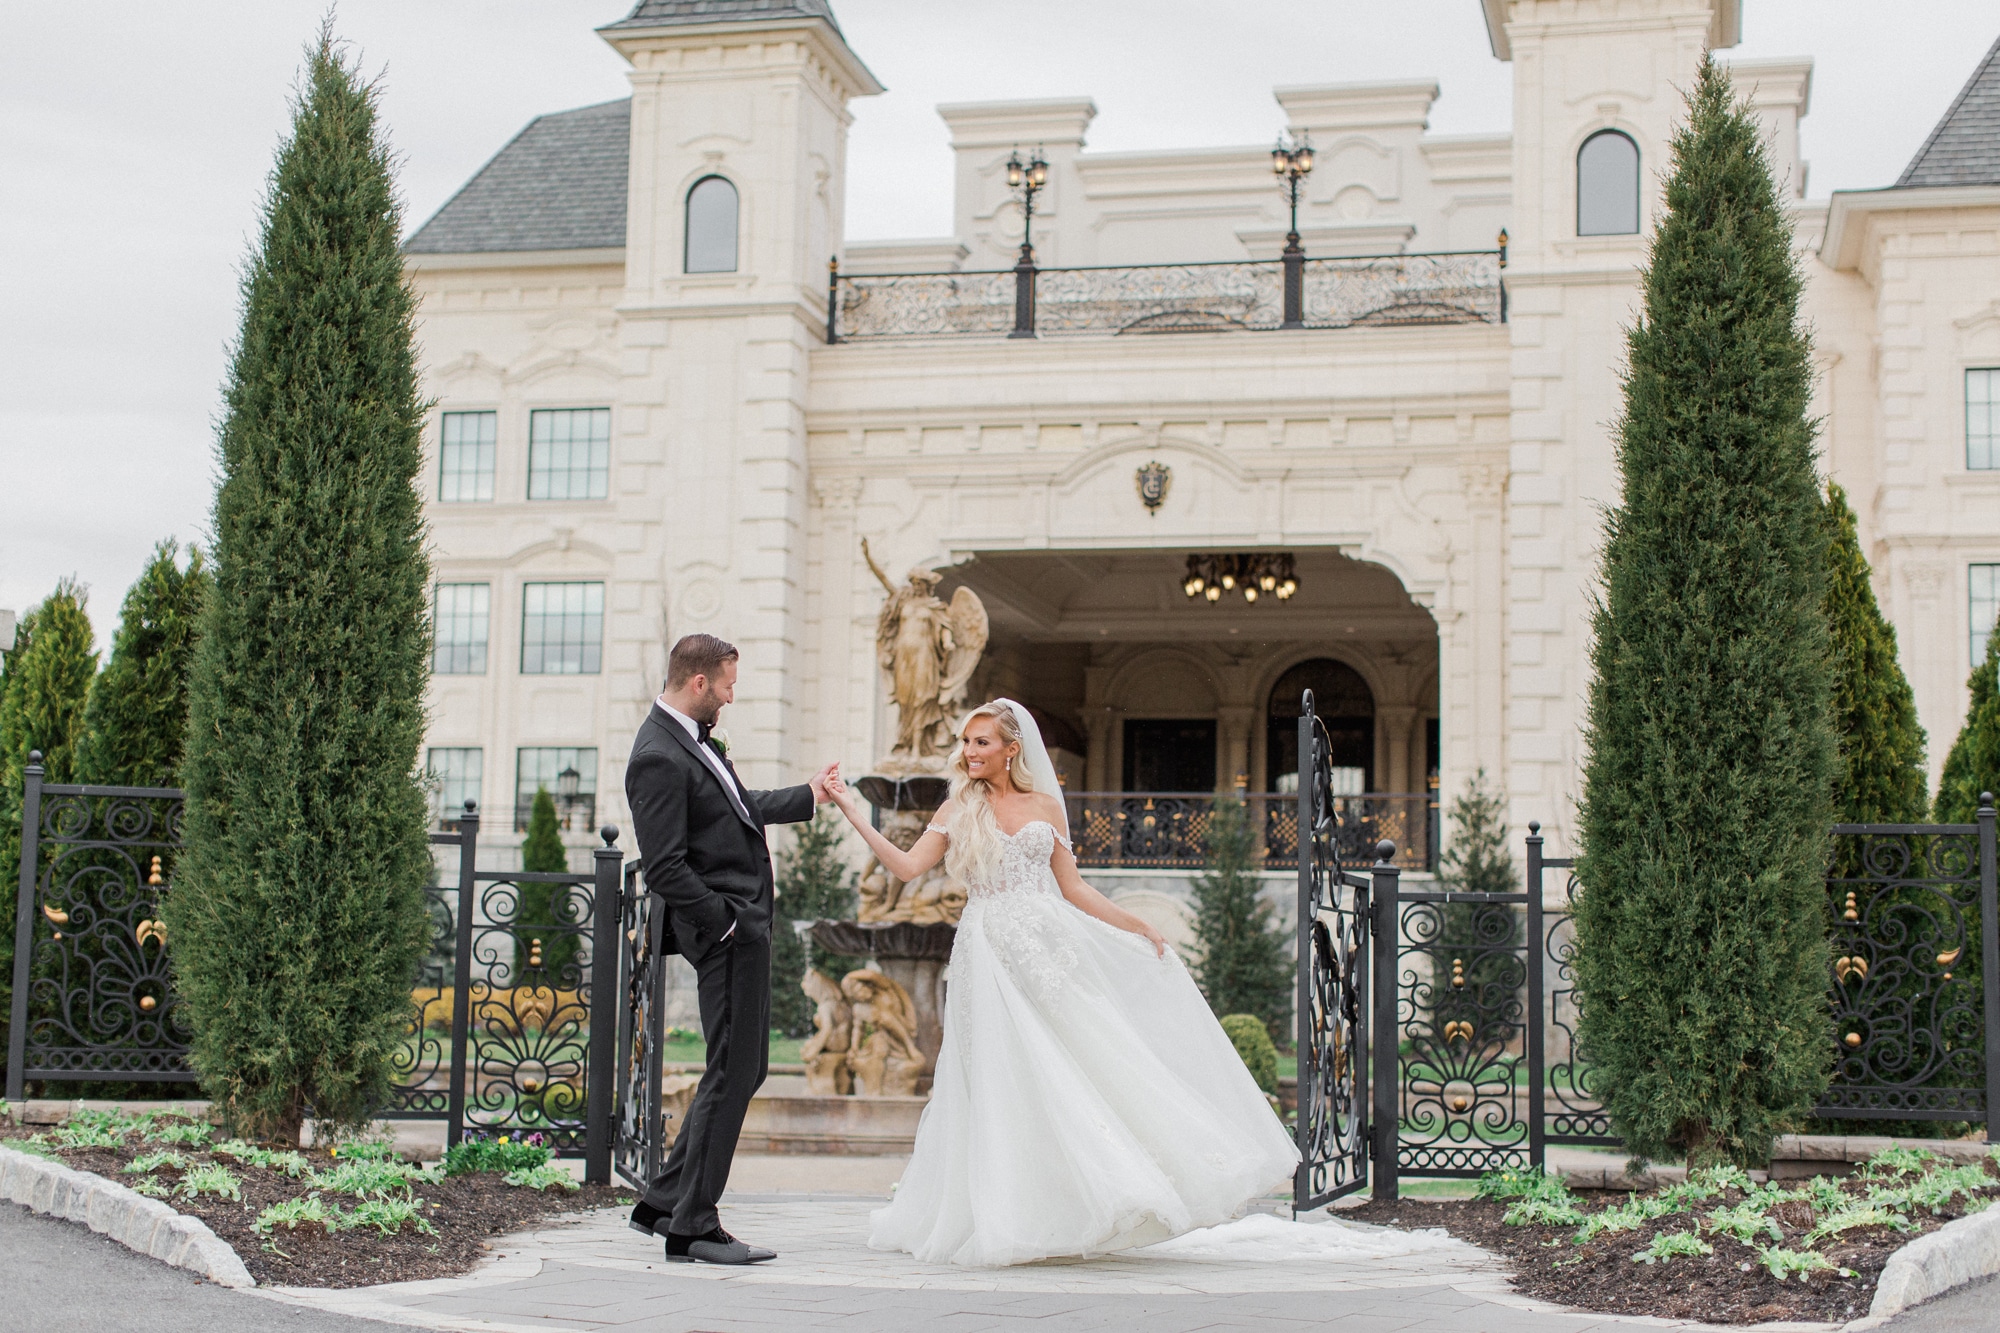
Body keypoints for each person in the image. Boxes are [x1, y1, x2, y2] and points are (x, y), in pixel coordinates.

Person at [823, 698, 1302, 1266]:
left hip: (1048, 947)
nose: (970, 752)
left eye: (981, 742)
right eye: (967, 743)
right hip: (985, 948)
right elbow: (905, 868)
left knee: (1084, 1059)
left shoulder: (1047, 805)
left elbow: (1073, 889)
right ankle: (1007, 1211)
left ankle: (1108, 1194)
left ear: (1011, 748)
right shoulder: (957, 809)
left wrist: (1136, 922)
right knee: (1000, 1075)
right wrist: (854, 810)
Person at [624, 633, 836, 1265]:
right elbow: (665, 867)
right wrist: (725, 925)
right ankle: (693, 1226)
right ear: (698, 683)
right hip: (725, 932)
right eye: (727, 685)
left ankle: (662, 1201)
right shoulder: (657, 755)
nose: (731, 696)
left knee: (740, 1068)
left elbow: (735, 809)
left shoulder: (690, 741)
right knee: (736, 1071)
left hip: (738, 927)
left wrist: (808, 796)